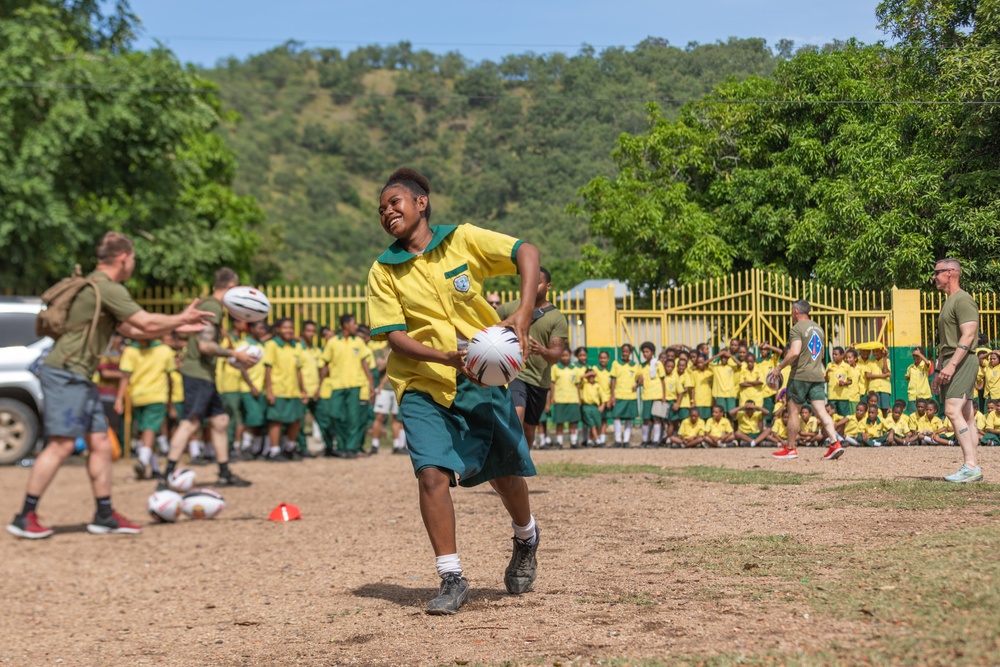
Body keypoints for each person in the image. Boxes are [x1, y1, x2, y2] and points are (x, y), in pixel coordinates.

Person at [366, 167, 540, 615]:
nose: (387, 212)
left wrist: (522, 311)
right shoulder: (383, 270)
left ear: (421, 203)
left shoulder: (462, 240)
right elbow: (394, 336)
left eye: (395, 203)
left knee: (504, 474)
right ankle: (451, 576)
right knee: (431, 473)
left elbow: (526, 251)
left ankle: (526, 538)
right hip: (422, 381)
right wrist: (443, 357)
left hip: (481, 377)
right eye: (382, 208)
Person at [7, 232, 214, 539]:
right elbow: (143, 322)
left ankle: (104, 514)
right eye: (133, 259)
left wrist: (177, 325)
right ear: (123, 258)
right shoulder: (107, 287)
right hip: (67, 373)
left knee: (101, 443)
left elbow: (130, 327)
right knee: (62, 444)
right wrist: (179, 317)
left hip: (79, 375)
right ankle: (25, 516)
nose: (133, 264)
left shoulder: (94, 285)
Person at [161, 268, 255, 489]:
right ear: (232, 285)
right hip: (198, 374)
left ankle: (224, 473)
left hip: (205, 375)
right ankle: (165, 477)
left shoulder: (207, 304)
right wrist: (235, 354)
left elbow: (185, 333)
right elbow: (205, 346)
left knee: (220, 421)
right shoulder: (214, 307)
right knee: (190, 423)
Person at [496, 268, 567, 449]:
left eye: (538, 282)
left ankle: (522, 462)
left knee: (529, 429)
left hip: (539, 380)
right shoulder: (509, 308)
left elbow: (556, 356)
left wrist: (542, 350)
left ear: (548, 286)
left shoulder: (557, 318)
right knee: (516, 415)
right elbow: (489, 329)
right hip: (515, 374)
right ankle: (508, 459)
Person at [766, 300, 845, 461]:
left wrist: (778, 368)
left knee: (793, 411)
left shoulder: (797, 328)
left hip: (800, 375)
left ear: (795, 311)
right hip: (817, 375)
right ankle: (835, 443)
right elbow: (822, 354)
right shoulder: (818, 328)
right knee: (822, 412)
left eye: (790, 310)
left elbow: (794, 352)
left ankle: (790, 448)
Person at [932, 258, 983, 482]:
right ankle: (972, 465)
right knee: (966, 415)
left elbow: (969, 334)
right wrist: (940, 367)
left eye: (937, 273)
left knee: (952, 410)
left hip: (962, 359)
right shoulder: (949, 301)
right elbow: (947, 340)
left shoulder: (963, 300)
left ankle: (970, 466)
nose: (933, 277)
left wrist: (952, 364)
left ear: (951, 273)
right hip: (953, 359)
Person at [116, 337, 176, 480]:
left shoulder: (130, 350)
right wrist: (170, 401)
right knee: (149, 431)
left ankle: (149, 465)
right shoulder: (165, 350)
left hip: (140, 397)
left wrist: (119, 399)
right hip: (155, 396)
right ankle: (146, 463)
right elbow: (170, 378)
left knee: (146, 431)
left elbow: (125, 376)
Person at [318, 313, 373, 458]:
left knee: (353, 418)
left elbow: (364, 363)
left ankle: (349, 448)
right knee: (334, 414)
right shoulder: (332, 342)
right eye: (353, 323)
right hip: (337, 385)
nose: (355, 326)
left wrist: (370, 383)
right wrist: (319, 385)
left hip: (355, 385)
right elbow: (325, 364)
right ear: (345, 325)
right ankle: (343, 443)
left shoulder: (359, 342)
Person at [263, 318, 306, 461]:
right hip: (278, 389)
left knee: (296, 419)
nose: (288, 330)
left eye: (291, 327)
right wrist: (269, 390)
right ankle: (275, 451)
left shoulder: (296, 346)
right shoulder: (272, 345)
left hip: (294, 390)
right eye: (285, 327)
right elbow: (268, 369)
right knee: (276, 420)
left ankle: (289, 447)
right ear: (278, 329)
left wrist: (303, 390)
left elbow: (299, 370)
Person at [237, 320, 269, 457]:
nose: (262, 331)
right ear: (251, 328)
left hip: (262, 388)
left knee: (260, 420)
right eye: (260, 328)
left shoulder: (262, 345)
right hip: (249, 388)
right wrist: (251, 386)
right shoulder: (244, 345)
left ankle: (256, 449)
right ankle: (245, 446)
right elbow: (241, 366)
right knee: (253, 418)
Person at [295, 320, 323, 457]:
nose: (311, 334)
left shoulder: (315, 350)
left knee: (324, 419)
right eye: (308, 331)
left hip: (315, 391)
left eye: (313, 331)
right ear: (302, 332)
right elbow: (297, 371)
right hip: (302, 392)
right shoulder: (297, 349)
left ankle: (329, 447)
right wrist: (303, 390)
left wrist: (318, 389)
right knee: (299, 422)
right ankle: (302, 448)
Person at [548, 347, 583, 449]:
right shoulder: (555, 368)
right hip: (560, 399)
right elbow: (552, 383)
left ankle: (573, 441)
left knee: (573, 422)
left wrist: (579, 398)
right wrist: (552, 397)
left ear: (570, 356)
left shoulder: (575, 369)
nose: (565, 357)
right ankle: (559, 442)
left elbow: (577, 385)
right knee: (560, 422)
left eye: (567, 355)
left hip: (573, 398)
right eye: (563, 355)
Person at [609, 343, 640, 447]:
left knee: (628, 418)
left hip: (631, 396)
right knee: (616, 417)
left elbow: (640, 378)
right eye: (623, 351)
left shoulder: (635, 365)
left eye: (626, 351)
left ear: (630, 353)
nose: (624, 353)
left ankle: (626, 441)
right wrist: (612, 395)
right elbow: (613, 380)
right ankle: (618, 440)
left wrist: (638, 385)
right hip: (619, 395)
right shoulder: (616, 363)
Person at [637, 342, 666, 448]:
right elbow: (639, 380)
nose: (645, 354)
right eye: (643, 352)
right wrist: (639, 381)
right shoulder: (642, 366)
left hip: (657, 395)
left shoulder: (658, 364)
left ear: (652, 352)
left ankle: (655, 441)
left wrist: (664, 395)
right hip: (646, 395)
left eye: (647, 351)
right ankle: (645, 440)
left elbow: (663, 380)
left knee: (657, 419)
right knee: (646, 419)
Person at [579, 368, 609, 447]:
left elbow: (603, 396)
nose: (591, 377)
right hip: (586, 406)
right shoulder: (584, 384)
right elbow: (579, 378)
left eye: (592, 376)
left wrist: (602, 405)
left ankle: (590, 440)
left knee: (597, 424)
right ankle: (597, 440)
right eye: (589, 376)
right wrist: (588, 374)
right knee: (591, 424)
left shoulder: (597, 385)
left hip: (595, 407)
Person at [904, 347, 933, 413]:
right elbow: (907, 377)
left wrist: (920, 354)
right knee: (912, 414)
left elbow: (928, 363)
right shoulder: (910, 367)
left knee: (924, 414)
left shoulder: (924, 365)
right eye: (914, 355)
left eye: (917, 355)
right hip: (912, 396)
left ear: (922, 355)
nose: (915, 357)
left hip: (924, 395)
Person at [867, 346, 892, 416]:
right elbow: (868, 375)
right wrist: (883, 376)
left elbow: (885, 371)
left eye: (877, 351)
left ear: (881, 351)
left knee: (885, 408)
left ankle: (883, 424)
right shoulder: (870, 362)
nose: (875, 353)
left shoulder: (887, 360)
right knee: (874, 408)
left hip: (885, 388)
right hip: (874, 388)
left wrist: (884, 358)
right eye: (874, 351)